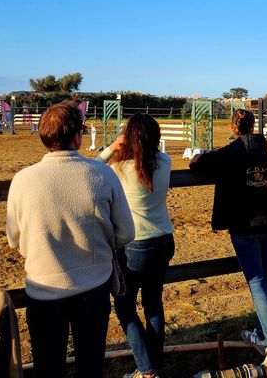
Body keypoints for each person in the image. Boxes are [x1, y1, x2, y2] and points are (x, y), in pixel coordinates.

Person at [6, 102, 135, 378]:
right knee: (90, 365)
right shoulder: (102, 174)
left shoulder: (22, 180)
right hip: (93, 286)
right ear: (77, 136)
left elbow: (13, 239)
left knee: (47, 366)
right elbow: (127, 233)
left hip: (43, 289)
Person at [189, 109, 267, 368]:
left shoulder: (232, 152)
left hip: (245, 225)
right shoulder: (263, 150)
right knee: (263, 279)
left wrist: (199, 157)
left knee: (256, 282)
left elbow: (200, 164)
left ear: (234, 126)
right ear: (253, 125)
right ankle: (263, 333)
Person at [97, 113, 175, 378]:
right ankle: (154, 363)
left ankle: (147, 369)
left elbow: (89, 168)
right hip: (164, 239)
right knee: (153, 302)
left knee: (124, 307)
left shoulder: (119, 169)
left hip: (134, 245)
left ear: (129, 137)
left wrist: (111, 148)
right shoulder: (166, 161)